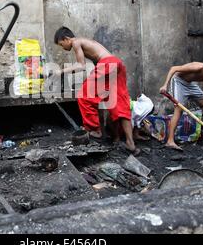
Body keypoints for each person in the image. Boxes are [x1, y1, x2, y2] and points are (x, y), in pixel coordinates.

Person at [53, 27, 139, 155]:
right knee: (121, 104)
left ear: (66, 39)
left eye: (61, 44)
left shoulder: (76, 42)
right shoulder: (88, 42)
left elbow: (81, 65)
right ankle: (130, 143)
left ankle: (95, 130)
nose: (63, 48)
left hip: (107, 64)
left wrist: (60, 71)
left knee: (84, 95)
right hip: (117, 63)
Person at [159, 61, 203, 151]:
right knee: (179, 109)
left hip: (190, 85)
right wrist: (165, 85)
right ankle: (170, 141)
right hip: (178, 81)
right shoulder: (199, 67)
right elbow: (173, 68)